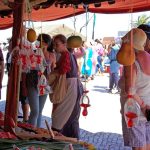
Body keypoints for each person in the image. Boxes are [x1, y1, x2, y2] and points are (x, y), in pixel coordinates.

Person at [119, 28, 150, 150]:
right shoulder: (148, 57)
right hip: (148, 110)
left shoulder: (131, 62)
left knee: (139, 148)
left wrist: (142, 106)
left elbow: (130, 90)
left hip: (136, 111)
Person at [51, 34, 83, 139]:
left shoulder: (66, 55)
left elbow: (63, 70)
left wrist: (52, 74)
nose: (55, 47)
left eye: (57, 44)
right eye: (54, 45)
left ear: (64, 44)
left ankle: (63, 138)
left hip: (70, 87)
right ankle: (70, 138)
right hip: (72, 86)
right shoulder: (69, 54)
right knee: (69, 115)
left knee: (62, 115)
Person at [26, 33, 55, 128]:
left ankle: (36, 132)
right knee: (35, 111)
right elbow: (27, 67)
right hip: (32, 82)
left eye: (44, 41)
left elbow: (53, 69)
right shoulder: (33, 51)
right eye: (40, 41)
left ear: (48, 43)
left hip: (45, 84)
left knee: (40, 111)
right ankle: (30, 132)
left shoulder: (52, 54)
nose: (42, 43)